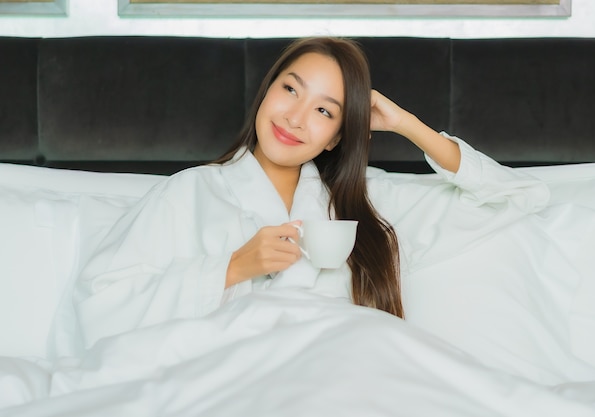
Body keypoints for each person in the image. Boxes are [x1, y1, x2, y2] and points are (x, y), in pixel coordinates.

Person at [74, 37, 548, 349]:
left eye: (325, 111)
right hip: (230, 376)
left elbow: (516, 195)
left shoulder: (366, 202)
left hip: (345, 374)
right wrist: (232, 268)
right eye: (290, 90)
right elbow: (100, 308)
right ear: (266, 92)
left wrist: (407, 125)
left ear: (339, 136)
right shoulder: (189, 193)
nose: (296, 118)